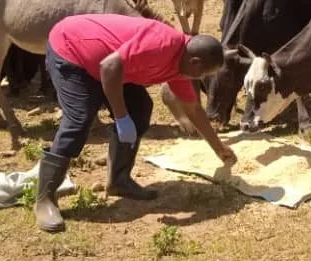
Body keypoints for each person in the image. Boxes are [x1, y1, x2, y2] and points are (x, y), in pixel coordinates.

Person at [34, 14, 237, 232]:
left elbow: (193, 109)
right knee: (79, 119)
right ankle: (45, 198)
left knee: (140, 109)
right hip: (71, 49)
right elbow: (109, 67)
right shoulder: (162, 44)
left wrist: (219, 148)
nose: (201, 79)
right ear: (195, 63)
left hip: (109, 64)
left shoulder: (181, 65)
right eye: (205, 74)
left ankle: (119, 181)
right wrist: (121, 117)